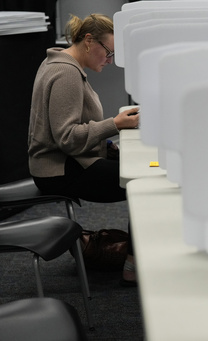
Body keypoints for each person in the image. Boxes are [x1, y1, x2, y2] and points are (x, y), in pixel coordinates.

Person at [28, 13, 139, 286]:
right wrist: (114, 124)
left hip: (66, 161)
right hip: (59, 169)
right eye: (108, 52)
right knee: (140, 182)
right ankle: (133, 267)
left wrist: (109, 141)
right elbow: (67, 137)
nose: (110, 60)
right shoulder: (66, 73)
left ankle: (134, 260)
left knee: (134, 171)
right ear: (89, 41)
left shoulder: (61, 63)